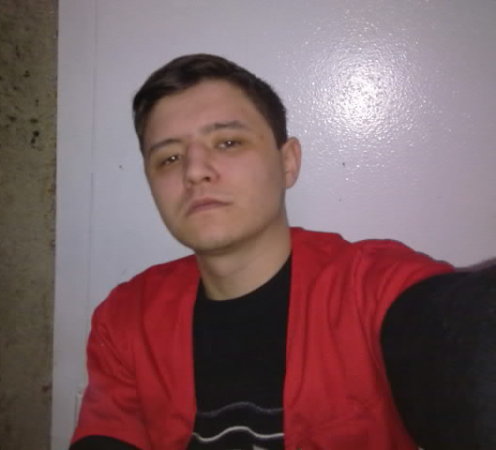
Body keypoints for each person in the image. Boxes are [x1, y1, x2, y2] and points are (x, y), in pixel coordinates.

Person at [70, 54, 495, 450]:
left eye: (228, 142)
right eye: (169, 158)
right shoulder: (127, 318)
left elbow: (462, 341)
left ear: (288, 162)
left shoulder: (369, 286)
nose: (194, 171)